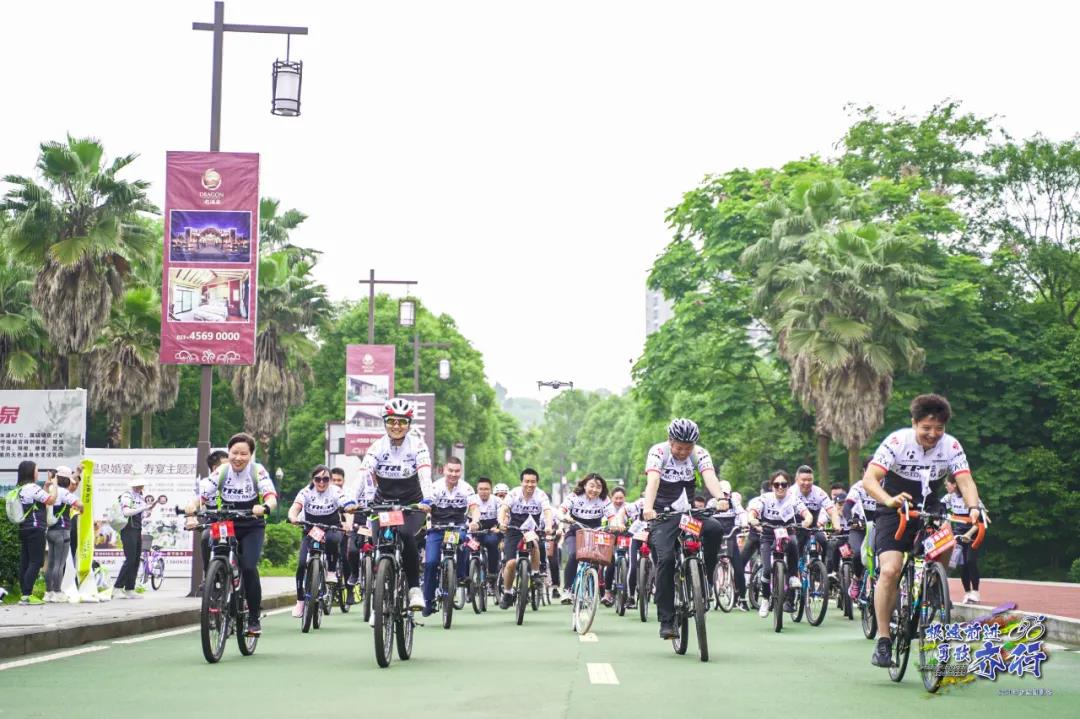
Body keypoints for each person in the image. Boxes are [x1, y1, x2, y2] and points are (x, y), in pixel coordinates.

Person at [862, 394, 982, 668]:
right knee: (890, 570)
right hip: (895, 506)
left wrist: (974, 507)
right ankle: (883, 639)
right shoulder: (897, 441)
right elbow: (870, 479)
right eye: (926, 428)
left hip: (930, 505)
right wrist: (888, 500)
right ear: (914, 423)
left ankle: (934, 584)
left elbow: (965, 481)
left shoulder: (951, 445)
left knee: (948, 538)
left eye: (939, 428)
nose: (933, 434)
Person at [641, 418, 731, 639]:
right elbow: (653, 481)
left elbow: (709, 476)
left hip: (688, 514)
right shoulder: (658, 452)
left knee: (715, 529)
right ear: (670, 441)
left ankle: (705, 576)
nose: (683, 452)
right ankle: (667, 621)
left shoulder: (699, 453)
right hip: (663, 515)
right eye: (679, 448)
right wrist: (648, 508)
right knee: (666, 560)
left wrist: (720, 497)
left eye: (687, 448)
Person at [186, 432, 279, 635]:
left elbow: (271, 497)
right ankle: (215, 581)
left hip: (252, 524)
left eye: (243, 454)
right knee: (211, 542)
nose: (238, 458)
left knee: (248, 567)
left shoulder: (257, 471)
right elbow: (201, 495)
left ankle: (253, 617)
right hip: (226, 522)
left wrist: (264, 507)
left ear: (251, 455)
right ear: (228, 453)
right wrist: (192, 511)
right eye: (234, 453)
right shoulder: (222, 471)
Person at [356, 398, 433, 613]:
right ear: (385, 422)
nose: (396, 426)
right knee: (378, 543)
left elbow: (425, 475)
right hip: (383, 505)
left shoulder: (418, 446)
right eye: (391, 421)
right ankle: (379, 593)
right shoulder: (377, 447)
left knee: (406, 534)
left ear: (409, 424)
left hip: (412, 505)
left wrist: (427, 500)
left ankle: (414, 589)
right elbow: (363, 474)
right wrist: (350, 499)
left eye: (402, 422)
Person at [288, 465, 354, 617]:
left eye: (325, 479)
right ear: (313, 479)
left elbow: (347, 506)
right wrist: (292, 517)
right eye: (318, 479)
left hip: (331, 527)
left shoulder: (336, 491)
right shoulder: (305, 492)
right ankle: (300, 601)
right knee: (301, 564)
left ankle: (331, 570)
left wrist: (348, 523)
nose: (322, 482)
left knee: (332, 540)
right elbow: (295, 507)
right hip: (311, 529)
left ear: (330, 480)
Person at [748, 470, 813, 618]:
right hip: (768, 534)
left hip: (787, 532)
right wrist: (752, 519)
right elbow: (753, 512)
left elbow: (806, 514)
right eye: (777, 484)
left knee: (794, 542)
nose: (780, 487)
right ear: (772, 486)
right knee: (766, 570)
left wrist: (807, 521)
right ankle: (765, 599)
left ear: (788, 486)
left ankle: (793, 576)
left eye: (784, 484)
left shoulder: (793, 498)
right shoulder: (765, 498)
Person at [423, 456, 476, 616]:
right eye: (450, 470)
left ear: (461, 471)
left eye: (457, 471)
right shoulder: (434, 487)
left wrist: (475, 521)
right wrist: (425, 510)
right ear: (444, 470)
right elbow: (426, 506)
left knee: (464, 540)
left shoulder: (466, 488)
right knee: (431, 563)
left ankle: (460, 575)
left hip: (456, 528)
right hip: (437, 529)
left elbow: (474, 508)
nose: (453, 474)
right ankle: (428, 600)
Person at [497, 468, 553, 609]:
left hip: (531, 530)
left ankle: (535, 573)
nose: (530, 485)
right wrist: (501, 522)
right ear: (521, 482)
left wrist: (548, 526)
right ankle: (507, 592)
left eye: (533, 482)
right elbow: (504, 508)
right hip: (513, 530)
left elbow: (547, 511)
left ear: (537, 483)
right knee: (510, 564)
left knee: (533, 542)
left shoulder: (541, 495)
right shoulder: (513, 494)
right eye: (527, 481)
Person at [558, 473, 616, 605]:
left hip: (596, 533)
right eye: (591, 486)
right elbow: (561, 510)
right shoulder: (574, 496)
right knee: (574, 554)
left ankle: (605, 591)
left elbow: (612, 516)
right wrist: (564, 517)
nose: (594, 490)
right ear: (584, 485)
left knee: (609, 557)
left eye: (598, 487)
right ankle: (567, 590)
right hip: (575, 532)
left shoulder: (604, 500)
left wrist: (615, 524)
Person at [14, 460, 57, 605]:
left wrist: (46, 486)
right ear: (31, 472)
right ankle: (27, 595)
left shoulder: (20, 488)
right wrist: (55, 484)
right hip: (36, 528)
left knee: (26, 561)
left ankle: (24, 594)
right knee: (36, 561)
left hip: (24, 528)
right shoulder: (32, 487)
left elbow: (38, 501)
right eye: (36, 470)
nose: (37, 473)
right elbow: (51, 500)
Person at [945, 476, 988, 604]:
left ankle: (975, 592)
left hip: (973, 532)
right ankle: (967, 592)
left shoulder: (971, 498)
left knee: (970, 561)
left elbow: (981, 519)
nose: (946, 487)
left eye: (947, 484)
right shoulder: (949, 498)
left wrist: (968, 534)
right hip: (959, 533)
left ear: (954, 484)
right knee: (961, 564)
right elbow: (939, 509)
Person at [792, 465, 842, 574]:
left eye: (809, 480)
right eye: (803, 480)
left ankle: (825, 573)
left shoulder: (819, 492)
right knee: (795, 547)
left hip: (813, 528)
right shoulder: (791, 492)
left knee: (826, 542)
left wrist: (836, 524)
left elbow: (832, 510)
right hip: (796, 528)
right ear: (797, 480)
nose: (806, 483)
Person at [45, 466, 82, 602]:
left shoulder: (51, 489)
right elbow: (79, 504)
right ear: (66, 480)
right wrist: (82, 509)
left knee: (51, 563)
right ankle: (57, 592)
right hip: (62, 531)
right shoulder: (64, 493)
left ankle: (48, 592)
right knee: (59, 564)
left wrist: (77, 472)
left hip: (51, 531)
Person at [706, 490, 748, 610]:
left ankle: (742, 598)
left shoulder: (733, 502)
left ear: (729, 494)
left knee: (739, 569)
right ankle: (707, 591)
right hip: (715, 539)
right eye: (721, 493)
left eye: (725, 494)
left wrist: (744, 524)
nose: (723, 496)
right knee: (709, 565)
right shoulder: (711, 503)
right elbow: (706, 516)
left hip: (730, 537)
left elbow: (742, 513)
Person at [112, 474, 150, 599]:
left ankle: (130, 588)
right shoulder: (127, 496)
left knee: (136, 559)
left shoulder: (140, 497)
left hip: (137, 529)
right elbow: (126, 512)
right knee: (130, 559)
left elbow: (141, 514)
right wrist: (143, 508)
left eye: (141, 485)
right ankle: (117, 588)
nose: (140, 487)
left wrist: (146, 512)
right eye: (138, 485)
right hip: (128, 529)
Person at [467, 477, 502, 594]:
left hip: (492, 530)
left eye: (486, 489)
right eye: (481, 489)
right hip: (474, 532)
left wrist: (498, 527)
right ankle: (468, 585)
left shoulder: (497, 501)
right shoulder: (471, 499)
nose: (483, 491)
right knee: (467, 550)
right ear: (477, 490)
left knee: (492, 543)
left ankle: (492, 575)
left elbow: (502, 516)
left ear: (491, 490)